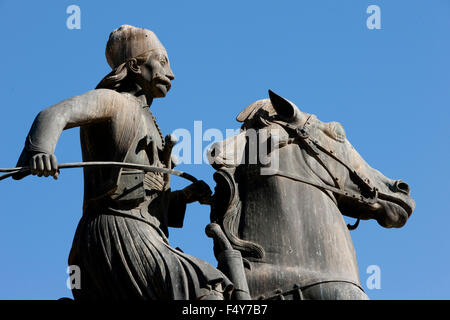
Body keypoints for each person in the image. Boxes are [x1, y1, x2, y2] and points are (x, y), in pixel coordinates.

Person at [13, 25, 232, 300]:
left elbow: (145, 201)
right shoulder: (114, 102)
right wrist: (40, 151)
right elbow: (55, 113)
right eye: (162, 62)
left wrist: (183, 197)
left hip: (143, 230)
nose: (171, 73)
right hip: (116, 231)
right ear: (135, 66)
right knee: (202, 285)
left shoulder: (150, 120)